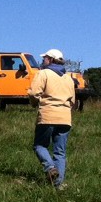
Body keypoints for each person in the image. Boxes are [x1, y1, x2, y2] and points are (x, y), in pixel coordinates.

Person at [27, 48, 77, 191]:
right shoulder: (68, 78)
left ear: (50, 59)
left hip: (48, 115)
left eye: (45, 58)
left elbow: (33, 93)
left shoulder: (43, 73)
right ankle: (58, 184)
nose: (43, 60)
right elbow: (72, 100)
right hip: (65, 117)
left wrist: (34, 103)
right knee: (60, 152)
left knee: (39, 145)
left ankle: (50, 167)